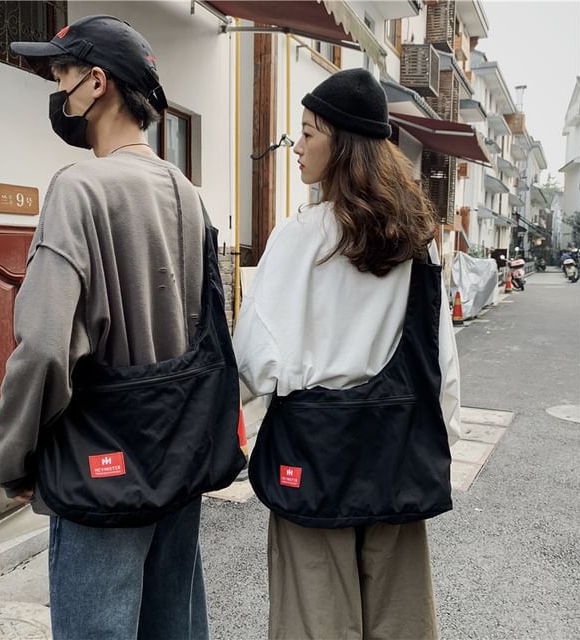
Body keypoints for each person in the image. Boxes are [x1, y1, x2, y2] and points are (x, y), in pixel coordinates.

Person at [0, 15, 236, 639]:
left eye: (62, 74)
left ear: (97, 83)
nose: (58, 90)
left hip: (100, 467)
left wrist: (14, 457)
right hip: (178, 457)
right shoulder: (188, 194)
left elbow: (45, 348)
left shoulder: (78, 191)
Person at [233, 68, 461, 640]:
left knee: (315, 622)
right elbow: (439, 363)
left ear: (342, 145)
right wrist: (438, 439)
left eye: (308, 133)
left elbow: (254, 358)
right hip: (397, 452)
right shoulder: (417, 242)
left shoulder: (300, 237)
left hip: (311, 454)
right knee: (400, 621)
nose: (296, 146)